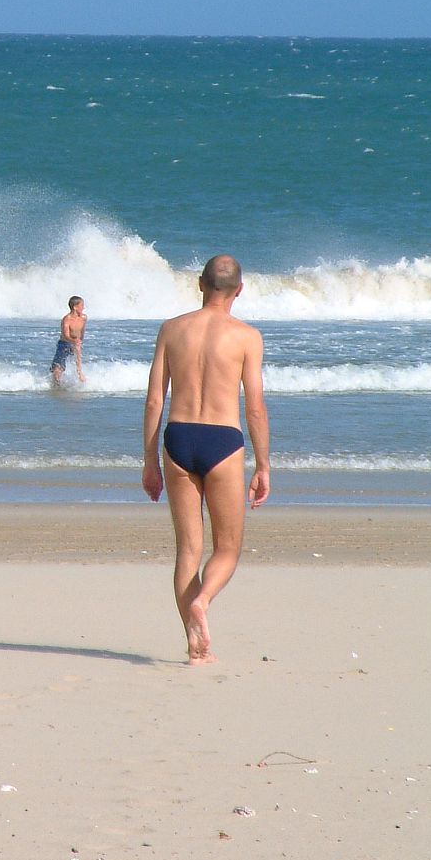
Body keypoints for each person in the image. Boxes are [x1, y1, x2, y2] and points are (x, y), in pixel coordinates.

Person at [142, 255, 269, 663]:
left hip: (178, 437)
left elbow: (153, 400)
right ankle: (204, 601)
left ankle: (195, 648)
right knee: (228, 549)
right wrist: (263, 466)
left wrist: (149, 460)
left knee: (187, 552)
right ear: (240, 290)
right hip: (223, 442)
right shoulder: (247, 337)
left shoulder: (171, 330)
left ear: (200, 284)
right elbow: (254, 409)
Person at [50, 296, 87, 385]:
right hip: (64, 344)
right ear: (75, 307)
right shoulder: (66, 319)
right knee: (58, 368)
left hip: (76, 344)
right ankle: (56, 384)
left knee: (77, 361)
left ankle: (80, 376)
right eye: (81, 305)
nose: (83, 308)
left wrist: (79, 341)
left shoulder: (84, 318)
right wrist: (73, 341)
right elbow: (66, 335)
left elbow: (82, 331)